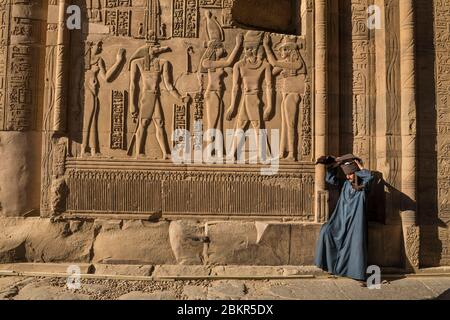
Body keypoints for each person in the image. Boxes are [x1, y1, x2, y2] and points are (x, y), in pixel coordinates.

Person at [315, 154, 374, 284]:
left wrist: (360, 167)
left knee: (355, 245)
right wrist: (332, 166)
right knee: (326, 231)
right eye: (347, 175)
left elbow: (370, 177)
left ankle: (356, 274)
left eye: (351, 174)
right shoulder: (346, 184)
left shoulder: (364, 187)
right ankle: (331, 267)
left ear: (356, 173)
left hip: (355, 223)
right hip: (340, 220)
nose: (348, 177)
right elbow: (331, 180)